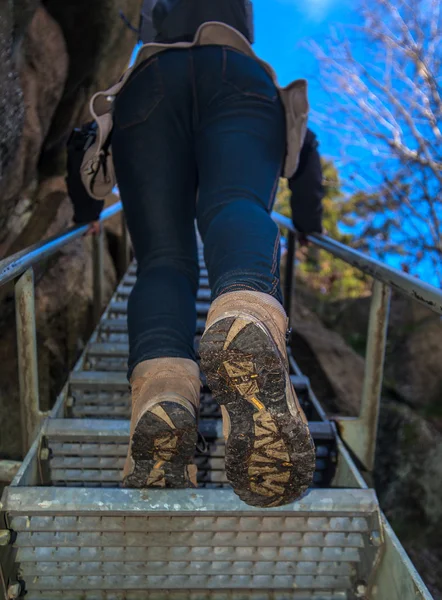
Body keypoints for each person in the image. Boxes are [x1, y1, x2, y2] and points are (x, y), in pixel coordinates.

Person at [68, 0, 324, 508]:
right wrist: (310, 227)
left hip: (149, 87)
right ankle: (245, 311)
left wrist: (84, 214)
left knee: (163, 259)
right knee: (237, 202)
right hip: (242, 80)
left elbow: (80, 146)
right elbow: (308, 159)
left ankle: (162, 394)